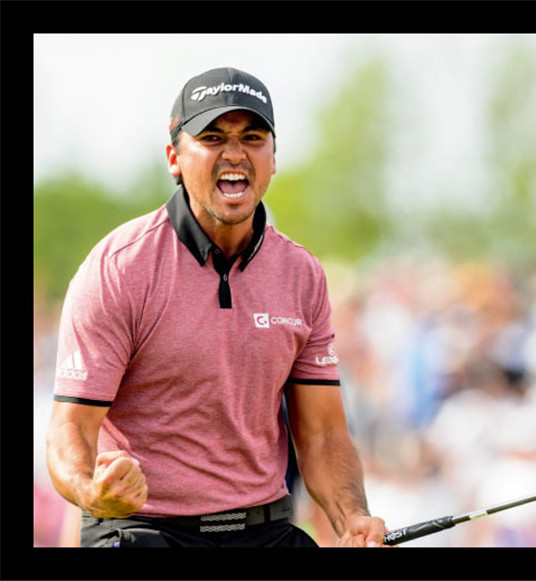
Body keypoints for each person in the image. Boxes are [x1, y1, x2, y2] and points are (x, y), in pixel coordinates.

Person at [45, 67, 388, 548]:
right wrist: (91, 491)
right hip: (146, 528)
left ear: (272, 158)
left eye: (252, 137)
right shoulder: (120, 267)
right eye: (212, 138)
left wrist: (352, 518)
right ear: (174, 158)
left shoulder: (302, 274)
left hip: (263, 531)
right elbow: (70, 430)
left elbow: (324, 433)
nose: (235, 153)